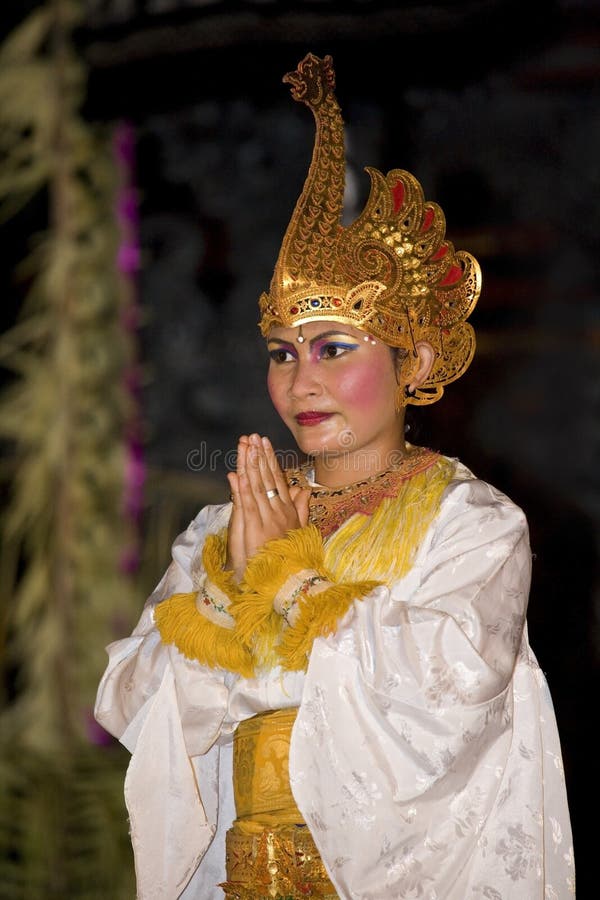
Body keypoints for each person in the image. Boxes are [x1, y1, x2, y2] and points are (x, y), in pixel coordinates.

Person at [94, 53, 575, 899]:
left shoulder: (472, 524)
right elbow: (131, 699)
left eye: (334, 349)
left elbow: (450, 694)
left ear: (416, 358)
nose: (298, 381)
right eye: (282, 354)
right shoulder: (227, 526)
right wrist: (236, 594)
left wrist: (280, 592)